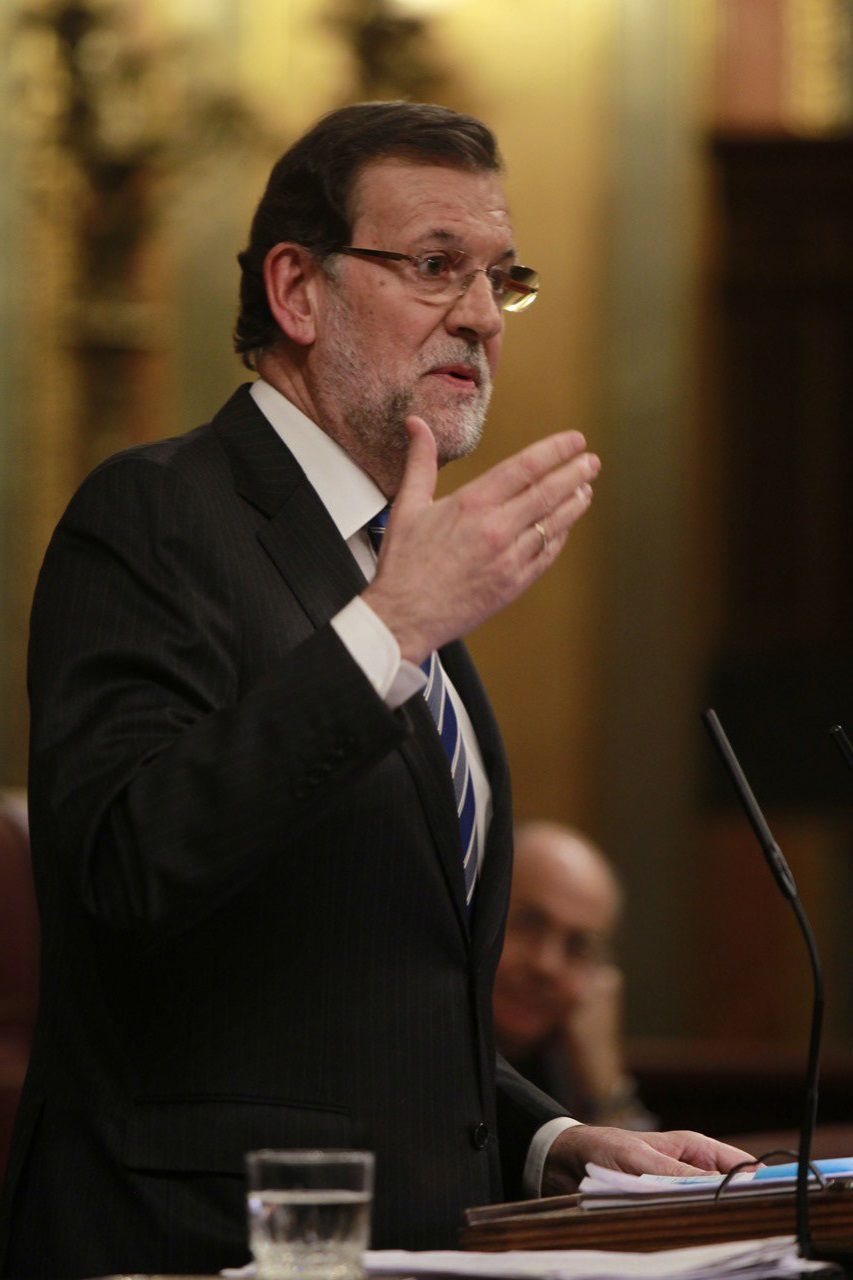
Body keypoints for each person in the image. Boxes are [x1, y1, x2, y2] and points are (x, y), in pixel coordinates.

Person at [0, 101, 751, 1279]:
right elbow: (120, 867)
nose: (481, 317)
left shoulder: (381, 560)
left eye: (500, 277)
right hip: (193, 1247)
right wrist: (394, 624)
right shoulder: (158, 516)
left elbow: (357, 994)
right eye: (436, 266)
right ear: (297, 293)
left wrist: (551, 1138)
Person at [494, 821, 654, 1129]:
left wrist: (603, 1082)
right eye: (528, 922)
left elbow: (638, 1173)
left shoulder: (564, 1065)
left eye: (578, 946)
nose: (546, 965)